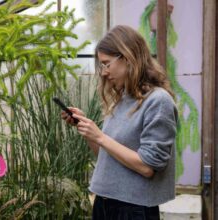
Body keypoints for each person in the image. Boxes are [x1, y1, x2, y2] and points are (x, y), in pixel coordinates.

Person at [61, 25, 177, 220]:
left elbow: (147, 167)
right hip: (105, 203)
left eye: (107, 64)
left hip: (134, 209)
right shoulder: (123, 100)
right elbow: (107, 156)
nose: (104, 72)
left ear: (127, 56)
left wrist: (100, 136)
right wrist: (88, 130)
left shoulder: (158, 101)